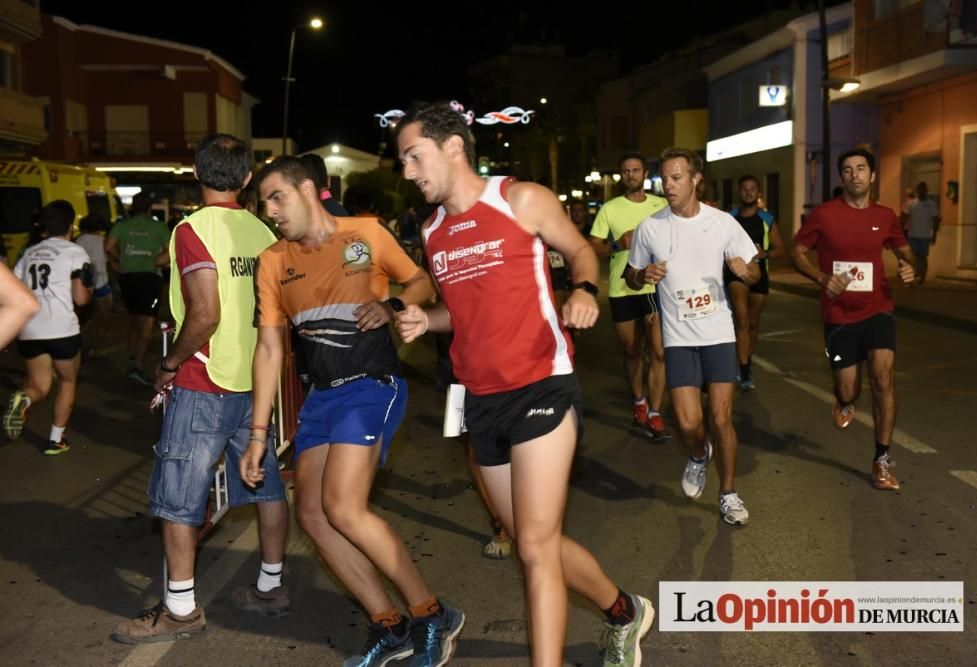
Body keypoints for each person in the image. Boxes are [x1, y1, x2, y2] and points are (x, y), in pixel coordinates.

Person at [394, 101, 653, 667]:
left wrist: (584, 289)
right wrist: (425, 319)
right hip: (478, 399)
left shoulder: (520, 199)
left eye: (415, 156)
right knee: (539, 540)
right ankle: (623, 611)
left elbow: (582, 249)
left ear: (454, 146)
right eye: (404, 162)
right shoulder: (433, 233)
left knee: (533, 548)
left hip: (541, 386)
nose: (409, 172)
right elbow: (459, 310)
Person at [243, 155, 463, 667]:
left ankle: (432, 614)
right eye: (263, 203)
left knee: (342, 507)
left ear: (307, 189)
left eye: (276, 197)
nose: (269, 210)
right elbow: (270, 350)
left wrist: (390, 307)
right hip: (321, 396)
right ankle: (389, 625)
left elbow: (421, 282)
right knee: (313, 515)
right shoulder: (273, 260)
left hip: (371, 384)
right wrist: (259, 435)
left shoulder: (364, 234)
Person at [112, 134, 290, 644]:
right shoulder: (263, 232)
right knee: (267, 487)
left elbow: (204, 314)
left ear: (195, 173)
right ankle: (271, 586)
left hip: (205, 379)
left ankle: (181, 610)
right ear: (248, 178)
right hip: (255, 380)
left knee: (178, 499)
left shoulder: (193, 230)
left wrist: (169, 362)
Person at [624, 148, 760, 526]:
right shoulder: (651, 227)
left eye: (676, 177)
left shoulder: (722, 223)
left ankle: (728, 493)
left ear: (696, 179)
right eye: (664, 178)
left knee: (721, 417)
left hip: (718, 333)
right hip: (679, 337)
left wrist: (743, 272)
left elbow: (753, 272)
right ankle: (699, 455)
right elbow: (630, 276)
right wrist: (643, 275)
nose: (668, 185)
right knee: (686, 424)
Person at [790, 148, 917, 492]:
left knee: (883, 378)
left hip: (879, 308)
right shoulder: (824, 215)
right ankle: (844, 400)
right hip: (837, 314)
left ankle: (882, 458)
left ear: (872, 175)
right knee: (848, 386)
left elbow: (907, 255)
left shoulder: (885, 215)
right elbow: (796, 251)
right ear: (841, 177)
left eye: (861, 168)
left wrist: (911, 269)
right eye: (847, 170)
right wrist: (821, 278)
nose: (855, 175)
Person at [589, 153, 669, 441]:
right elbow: (592, 248)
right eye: (626, 171)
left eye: (636, 170)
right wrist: (617, 244)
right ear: (621, 175)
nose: (631, 175)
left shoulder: (662, 205)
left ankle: (656, 413)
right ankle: (639, 402)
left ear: (645, 173)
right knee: (633, 350)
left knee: (659, 351)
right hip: (621, 289)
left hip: (655, 287)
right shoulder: (609, 209)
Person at [4, 201, 93, 455]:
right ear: (71, 225)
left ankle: (26, 398)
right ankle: (55, 440)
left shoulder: (29, 252)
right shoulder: (75, 252)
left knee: (40, 385)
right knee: (67, 381)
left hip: (30, 329)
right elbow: (81, 299)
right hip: (62, 329)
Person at [725, 176, 785, 390]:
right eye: (744, 189)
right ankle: (743, 368)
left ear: (758, 193)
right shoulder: (729, 218)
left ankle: (746, 362)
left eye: (752, 189)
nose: (748, 193)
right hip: (736, 275)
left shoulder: (767, 218)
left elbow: (780, 248)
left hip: (760, 275)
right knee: (741, 319)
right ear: (739, 192)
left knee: (752, 322)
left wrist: (764, 253)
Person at [105, 192, 171, 385]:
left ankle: (132, 357)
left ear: (133, 206)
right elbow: (170, 249)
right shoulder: (159, 227)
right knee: (146, 324)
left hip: (128, 277)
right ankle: (137, 366)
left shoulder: (122, 226)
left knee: (134, 319)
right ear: (150, 207)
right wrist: (158, 261)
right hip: (149, 278)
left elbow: (109, 247)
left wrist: (121, 260)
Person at [75, 214, 113, 356]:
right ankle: (94, 346)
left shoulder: (78, 240)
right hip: (100, 284)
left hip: (80, 286)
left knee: (81, 319)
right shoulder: (103, 241)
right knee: (104, 318)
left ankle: (79, 346)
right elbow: (107, 261)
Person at [899, 182, 940, 284]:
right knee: (912, 257)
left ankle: (922, 277)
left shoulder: (931, 205)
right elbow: (905, 217)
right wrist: (900, 230)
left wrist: (934, 234)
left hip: (924, 236)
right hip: (913, 235)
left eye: (923, 190)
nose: (921, 192)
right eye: (919, 190)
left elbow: (936, 220)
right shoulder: (912, 204)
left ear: (926, 191)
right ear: (917, 191)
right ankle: (914, 274)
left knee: (922, 257)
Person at [0, 263, 38, 350]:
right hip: (61, 326)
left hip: (30, 329)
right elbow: (24, 302)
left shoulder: (26, 254)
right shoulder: (71, 250)